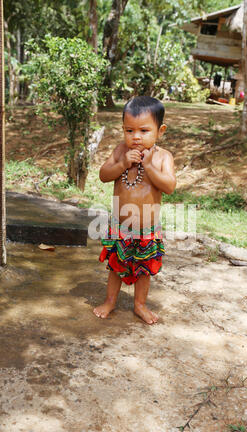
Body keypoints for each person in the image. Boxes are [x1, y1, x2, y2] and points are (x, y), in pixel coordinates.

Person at [93, 96, 176, 324]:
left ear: (160, 131)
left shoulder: (162, 157)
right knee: (116, 266)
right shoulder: (121, 151)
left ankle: (139, 305)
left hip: (146, 230)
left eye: (144, 130)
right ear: (123, 130)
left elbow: (169, 186)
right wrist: (121, 165)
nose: (136, 137)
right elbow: (103, 175)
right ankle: (110, 301)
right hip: (121, 228)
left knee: (143, 270)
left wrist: (149, 167)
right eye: (129, 130)